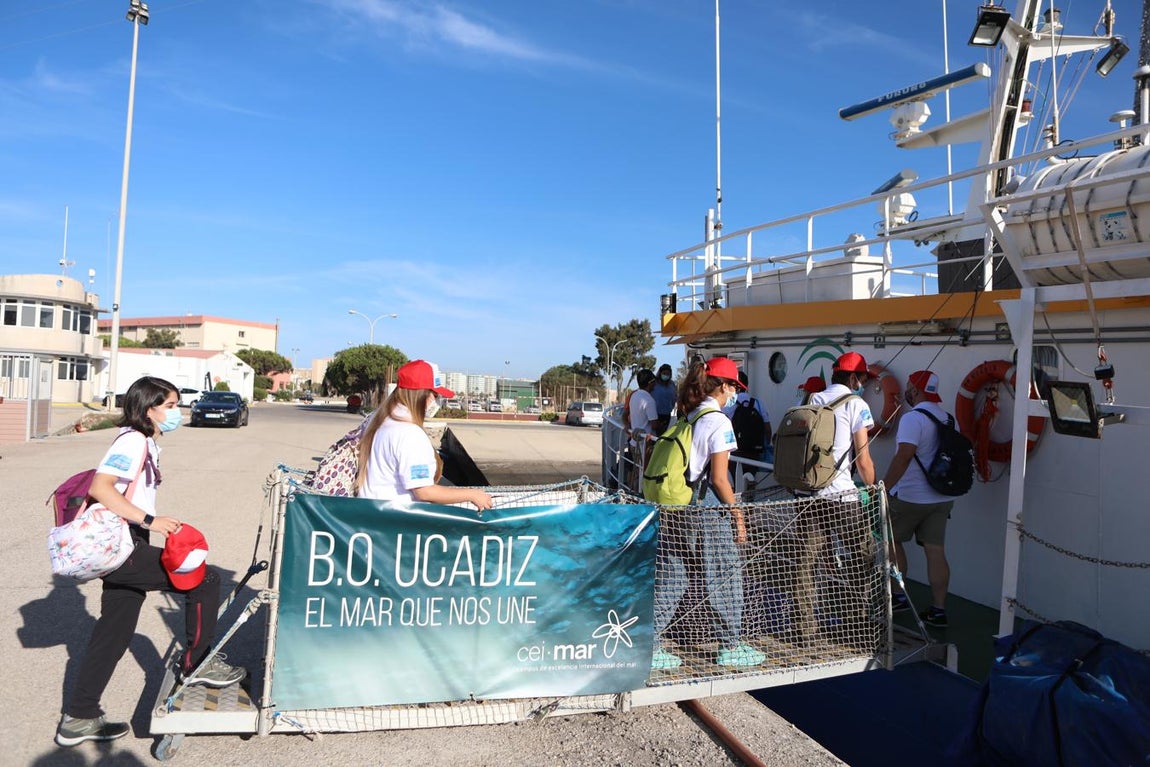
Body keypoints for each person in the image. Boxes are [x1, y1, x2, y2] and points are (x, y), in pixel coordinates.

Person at [56, 376, 245, 748]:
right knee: (202, 579)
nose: (178, 412)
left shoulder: (146, 443)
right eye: (171, 406)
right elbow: (101, 486)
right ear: (148, 409)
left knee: (114, 633)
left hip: (126, 542)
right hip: (124, 545)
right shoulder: (133, 440)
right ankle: (198, 662)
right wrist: (149, 521)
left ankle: (78, 718)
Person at [651, 357, 765, 669]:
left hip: (677, 506)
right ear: (723, 386)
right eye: (733, 388)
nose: (734, 394)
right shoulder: (719, 422)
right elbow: (718, 478)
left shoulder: (686, 417)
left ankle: (650, 646)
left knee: (673, 576)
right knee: (725, 576)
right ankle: (730, 646)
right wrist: (738, 516)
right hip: (707, 512)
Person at [791, 352, 877, 645]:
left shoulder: (813, 399)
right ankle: (855, 622)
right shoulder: (857, 404)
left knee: (806, 562)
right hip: (841, 496)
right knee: (861, 555)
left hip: (808, 494)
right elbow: (862, 458)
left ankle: (805, 629)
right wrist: (875, 486)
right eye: (863, 378)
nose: (863, 383)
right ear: (853, 378)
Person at [357, 360, 492, 510]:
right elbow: (424, 491)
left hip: (372, 514)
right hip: (397, 522)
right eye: (435, 394)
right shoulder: (410, 434)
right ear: (422, 395)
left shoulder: (378, 420)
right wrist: (472, 495)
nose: (437, 401)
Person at [881, 370, 956, 628]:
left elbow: (904, 456)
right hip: (940, 497)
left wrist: (884, 487)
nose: (908, 391)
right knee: (936, 551)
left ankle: (899, 597)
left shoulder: (913, 419)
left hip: (910, 496)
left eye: (910, 387)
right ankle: (939, 610)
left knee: (891, 541)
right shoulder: (948, 418)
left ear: (915, 389)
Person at [722, 370, 773, 471]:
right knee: (750, 480)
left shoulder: (727, 404)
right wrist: (764, 445)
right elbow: (767, 429)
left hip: (735, 451)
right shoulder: (758, 403)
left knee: (735, 481)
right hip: (754, 452)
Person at [625, 369, 659, 491]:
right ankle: (639, 496)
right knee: (643, 472)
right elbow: (654, 424)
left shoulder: (634, 395)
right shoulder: (649, 400)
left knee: (635, 472)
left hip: (633, 441)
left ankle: (632, 493)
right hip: (644, 444)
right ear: (650, 383)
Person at [651, 363, 677, 434]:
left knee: (663, 434)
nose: (666, 375)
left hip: (666, 414)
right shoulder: (654, 384)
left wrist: (672, 405)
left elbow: (674, 396)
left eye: (668, 374)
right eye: (664, 373)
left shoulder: (672, 384)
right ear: (660, 373)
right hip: (655, 414)